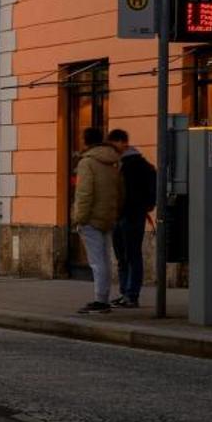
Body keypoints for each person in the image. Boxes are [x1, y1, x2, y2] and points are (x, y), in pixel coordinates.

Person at [72, 127, 124, 314]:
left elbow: (85, 193)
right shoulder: (113, 161)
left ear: (85, 141)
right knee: (105, 259)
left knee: (96, 261)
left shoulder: (88, 163)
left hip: (91, 218)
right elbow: (120, 191)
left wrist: (79, 218)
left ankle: (100, 300)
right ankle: (103, 297)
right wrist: (115, 212)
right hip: (108, 216)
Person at [110, 128, 157, 308]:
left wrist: (143, 206)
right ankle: (126, 294)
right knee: (124, 256)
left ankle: (131, 294)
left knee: (130, 255)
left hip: (130, 215)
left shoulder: (135, 165)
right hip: (129, 214)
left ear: (123, 143)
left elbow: (150, 189)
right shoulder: (123, 164)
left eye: (115, 145)